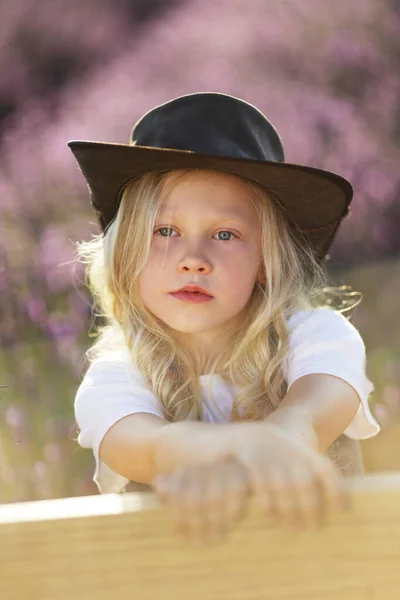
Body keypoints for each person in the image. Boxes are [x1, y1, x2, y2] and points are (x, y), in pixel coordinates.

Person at [68, 92, 380, 545]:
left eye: (225, 234)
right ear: (126, 252)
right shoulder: (115, 376)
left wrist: (281, 436)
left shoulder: (317, 335)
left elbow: (310, 415)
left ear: (265, 261)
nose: (193, 259)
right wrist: (219, 451)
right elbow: (148, 446)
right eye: (166, 231)